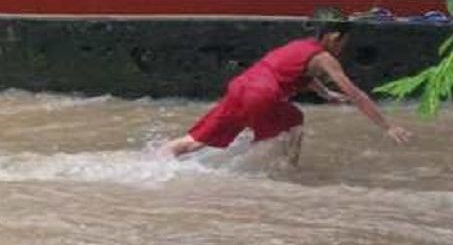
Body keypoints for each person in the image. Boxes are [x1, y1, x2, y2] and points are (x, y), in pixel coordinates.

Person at [163, 10, 411, 162]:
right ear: (334, 38)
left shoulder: (298, 46)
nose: (342, 48)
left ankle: (151, 163)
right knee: (295, 120)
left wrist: (325, 94)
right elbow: (356, 94)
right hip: (262, 95)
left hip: (240, 88)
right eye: (344, 42)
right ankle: (283, 173)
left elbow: (296, 75)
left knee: (194, 142)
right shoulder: (325, 58)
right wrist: (387, 127)